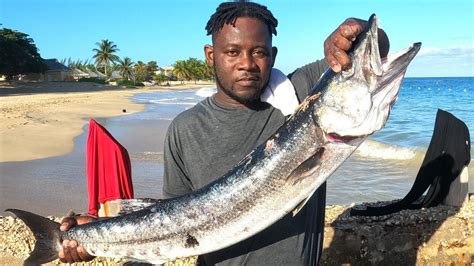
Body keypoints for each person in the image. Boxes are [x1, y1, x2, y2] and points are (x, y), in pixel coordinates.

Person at [59, 1, 389, 265]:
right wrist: (97, 238)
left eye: (259, 51)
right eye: (232, 52)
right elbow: (170, 218)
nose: (247, 63)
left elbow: (373, 52)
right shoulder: (185, 129)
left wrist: (356, 33)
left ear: (273, 56)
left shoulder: (300, 93)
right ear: (211, 55)